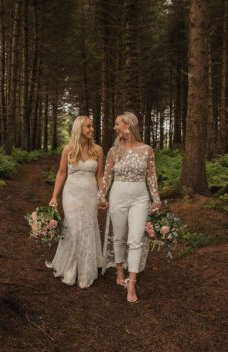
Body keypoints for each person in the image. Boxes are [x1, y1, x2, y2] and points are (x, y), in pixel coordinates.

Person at [99, 112, 161, 303]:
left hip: (140, 197)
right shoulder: (113, 151)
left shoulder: (147, 150)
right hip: (118, 195)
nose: (115, 127)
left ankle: (131, 282)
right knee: (119, 237)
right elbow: (107, 176)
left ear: (128, 125)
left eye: (117, 124)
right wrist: (101, 195)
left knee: (136, 239)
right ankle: (119, 271)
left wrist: (156, 199)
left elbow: (151, 176)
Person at [46, 116, 104, 288]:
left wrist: (102, 195)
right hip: (71, 194)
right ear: (79, 128)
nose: (92, 129)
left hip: (90, 195)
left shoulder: (98, 150)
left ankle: (85, 270)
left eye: (93, 126)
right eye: (88, 126)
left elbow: (99, 176)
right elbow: (61, 173)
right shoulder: (68, 149)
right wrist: (54, 196)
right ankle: (70, 269)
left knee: (87, 229)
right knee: (74, 229)